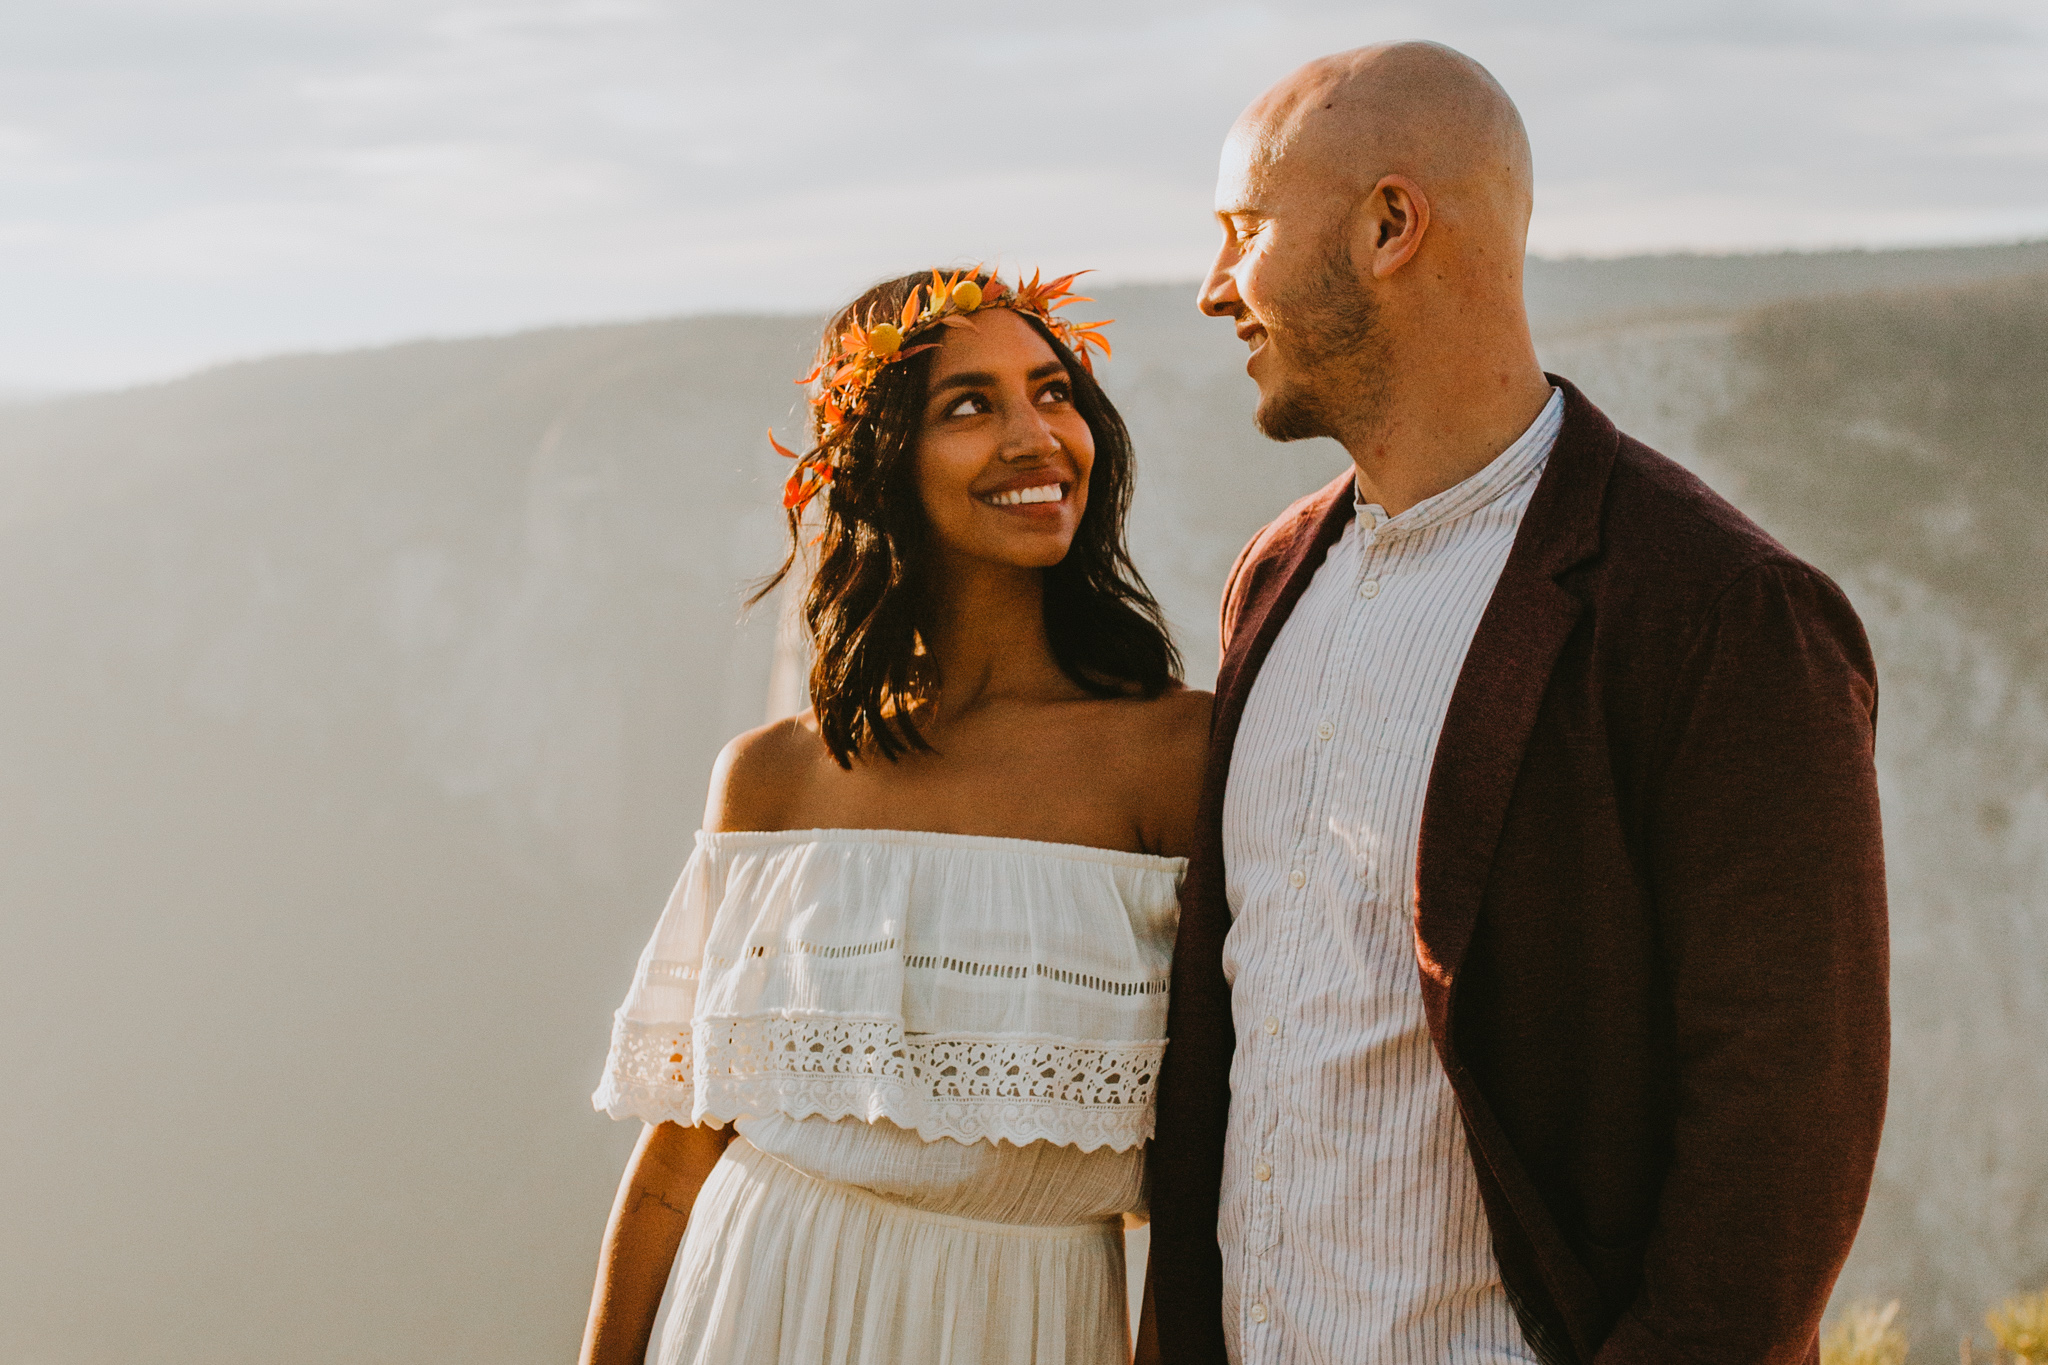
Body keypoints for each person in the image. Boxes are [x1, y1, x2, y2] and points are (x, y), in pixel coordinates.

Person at [1141, 42, 1889, 1365]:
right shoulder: (1270, 579)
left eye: (1243, 231)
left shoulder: (1722, 612)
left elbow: (1781, 1138)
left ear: (1390, 225)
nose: (1213, 290)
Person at [579, 267, 1211, 1365]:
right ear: (880, 461)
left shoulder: (1173, 756)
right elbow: (678, 1163)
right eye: (967, 407)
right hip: (750, 1304)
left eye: (1052, 392)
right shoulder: (775, 778)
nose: (1033, 435)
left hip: (1024, 1323)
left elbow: (1206, 1183)